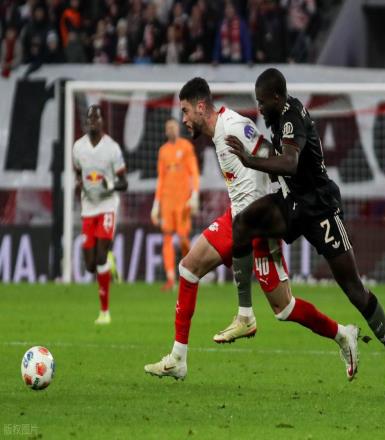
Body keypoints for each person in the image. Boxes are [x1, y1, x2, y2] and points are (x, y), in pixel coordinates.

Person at [144, 77, 359, 382]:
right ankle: (179, 358)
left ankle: (342, 334)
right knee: (189, 268)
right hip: (239, 218)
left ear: (201, 107)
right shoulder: (220, 132)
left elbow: (271, 156)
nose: (184, 119)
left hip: (258, 222)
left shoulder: (232, 126)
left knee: (284, 309)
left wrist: (272, 210)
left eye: (186, 111)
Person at [224, 68, 385, 401]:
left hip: (321, 209)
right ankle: (245, 314)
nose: (259, 107)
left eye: (262, 102)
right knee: (243, 224)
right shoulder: (275, 118)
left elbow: (290, 163)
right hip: (293, 204)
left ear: (276, 98)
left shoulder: (290, 117)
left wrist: (249, 161)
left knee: (354, 290)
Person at [73, 105, 128, 324]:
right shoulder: (78, 147)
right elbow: (78, 172)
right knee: (89, 266)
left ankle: (105, 312)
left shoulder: (112, 149)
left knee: (100, 257)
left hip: (107, 205)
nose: (93, 122)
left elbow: (124, 182)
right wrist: (80, 184)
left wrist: (110, 185)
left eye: (96, 118)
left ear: (102, 121)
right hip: (88, 206)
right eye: (90, 119)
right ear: (86, 122)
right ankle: (109, 262)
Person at [151, 118, 200, 291]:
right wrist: (156, 204)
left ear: (178, 129)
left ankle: (191, 271)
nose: (171, 130)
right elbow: (161, 178)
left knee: (183, 237)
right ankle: (171, 277)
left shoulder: (186, 147)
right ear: (166, 131)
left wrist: (195, 195)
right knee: (166, 236)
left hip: (182, 200)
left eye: (173, 127)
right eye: (168, 128)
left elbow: (194, 172)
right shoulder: (163, 151)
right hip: (167, 200)